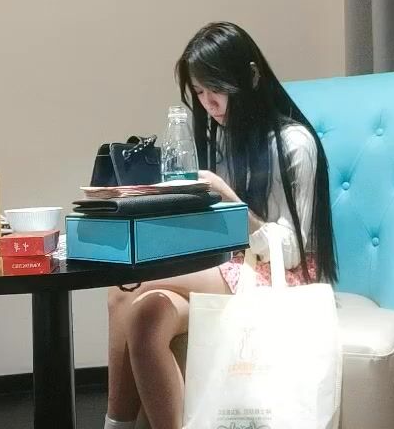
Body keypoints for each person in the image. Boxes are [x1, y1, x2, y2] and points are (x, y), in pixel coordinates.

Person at [103, 21, 337, 429]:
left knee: (127, 284)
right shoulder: (223, 140)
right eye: (198, 91)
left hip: (278, 275)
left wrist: (227, 197)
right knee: (145, 318)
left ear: (250, 77)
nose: (208, 103)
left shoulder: (294, 143)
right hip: (228, 266)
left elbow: (290, 250)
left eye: (215, 89)